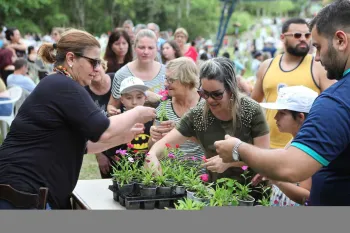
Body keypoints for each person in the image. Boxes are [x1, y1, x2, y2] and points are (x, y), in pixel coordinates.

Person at [0, 28, 156, 209]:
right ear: (71, 59)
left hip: (22, 193)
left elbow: (85, 145)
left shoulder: (58, 83)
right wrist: (137, 112)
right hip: (23, 195)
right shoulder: (63, 85)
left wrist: (124, 137)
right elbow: (102, 129)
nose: (98, 69)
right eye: (93, 62)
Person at [214, 0, 350, 206]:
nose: (318, 57)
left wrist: (238, 149)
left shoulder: (336, 101)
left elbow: (291, 167)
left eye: (318, 47)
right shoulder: (268, 67)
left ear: (340, 40)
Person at [145, 57, 270, 195]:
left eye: (217, 94)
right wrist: (152, 156)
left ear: (231, 89)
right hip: (214, 192)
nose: (209, 100)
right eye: (204, 93)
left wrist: (229, 162)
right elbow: (164, 144)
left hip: (251, 193)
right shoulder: (198, 114)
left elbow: (264, 157)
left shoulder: (251, 110)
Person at [251, 18, 336, 149]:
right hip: (268, 146)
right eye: (297, 35)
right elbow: (253, 105)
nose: (303, 39)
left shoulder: (320, 66)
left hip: (305, 147)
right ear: (282, 37)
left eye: (307, 35)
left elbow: (333, 107)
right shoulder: (266, 66)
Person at [257, 86, 317, 206]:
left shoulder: (307, 150)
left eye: (282, 113)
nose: (275, 117)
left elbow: (306, 196)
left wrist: (277, 180)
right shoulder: (294, 141)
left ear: (300, 117)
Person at [148, 57, 205, 163]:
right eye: (165, 78)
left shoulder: (206, 106)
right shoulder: (164, 106)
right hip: (168, 175)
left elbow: (214, 144)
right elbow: (151, 149)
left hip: (198, 176)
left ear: (187, 80)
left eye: (171, 80)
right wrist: (153, 137)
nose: (165, 83)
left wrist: (180, 132)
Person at [102, 76, 154, 177]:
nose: (134, 102)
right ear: (122, 99)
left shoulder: (153, 120)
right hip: (123, 172)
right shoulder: (118, 121)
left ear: (145, 98)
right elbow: (110, 150)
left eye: (139, 97)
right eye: (129, 98)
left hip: (147, 170)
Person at [107, 29, 166, 115]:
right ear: (134, 48)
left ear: (157, 49)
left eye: (150, 48)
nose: (146, 52)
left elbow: (177, 103)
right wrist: (112, 111)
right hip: (131, 126)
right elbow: (112, 105)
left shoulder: (167, 72)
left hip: (161, 126)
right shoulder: (122, 74)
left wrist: (157, 98)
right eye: (141, 47)